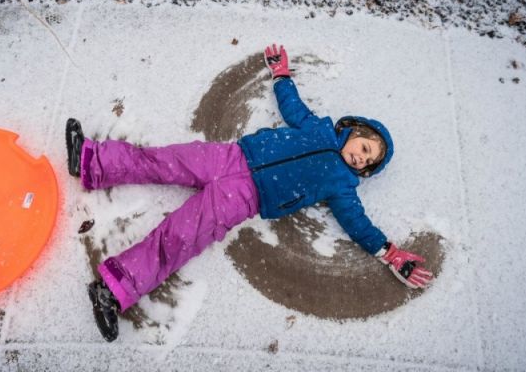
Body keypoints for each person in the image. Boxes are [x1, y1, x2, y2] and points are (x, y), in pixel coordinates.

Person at [66, 44, 433, 342]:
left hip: (244, 198)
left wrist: (390, 253)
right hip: (231, 156)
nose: (359, 155)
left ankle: (114, 292)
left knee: (179, 236)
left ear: (364, 172)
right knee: (165, 160)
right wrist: (282, 75)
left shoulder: (342, 185)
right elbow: (294, 107)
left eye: (366, 160)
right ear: (353, 129)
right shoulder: (318, 128)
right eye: (364, 145)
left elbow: (357, 224)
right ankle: (92, 161)